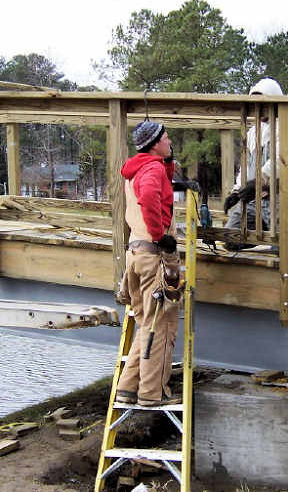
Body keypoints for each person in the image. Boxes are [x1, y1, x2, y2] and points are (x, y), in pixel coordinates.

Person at [115, 120, 185, 407]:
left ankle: (128, 388)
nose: (170, 143)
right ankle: (151, 394)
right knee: (161, 323)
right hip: (152, 253)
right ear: (155, 143)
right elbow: (149, 196)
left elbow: (153, 185)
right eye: (167, 139)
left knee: (146, 323)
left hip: (135, 251)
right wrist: (162, 237)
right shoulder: (152, 169)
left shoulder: (139, 167)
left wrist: (169, 164)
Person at [223, 78, 288, 249]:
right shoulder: (253, 132)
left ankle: (277, 234)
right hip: (253, 198)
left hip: (280, 196)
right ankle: (263, 226)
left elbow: (280, 161)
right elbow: (247, 165)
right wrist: (237, 192)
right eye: (255, 104)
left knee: (284, 249)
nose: (259, 109)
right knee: (231, 239)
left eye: (263, 103)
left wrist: (258, 183)